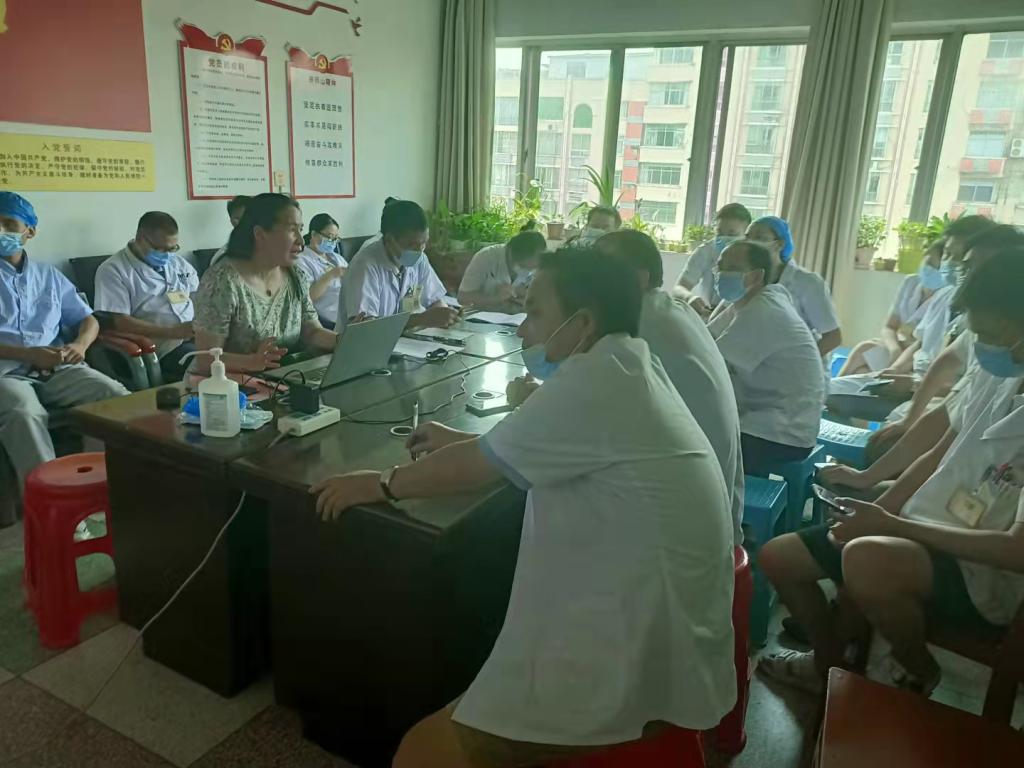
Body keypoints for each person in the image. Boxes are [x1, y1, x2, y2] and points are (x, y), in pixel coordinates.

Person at [312, 247, 736, 768]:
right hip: (671, 624)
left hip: (637, 646)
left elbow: (477, 469)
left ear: (583, 322)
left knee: (421, 752)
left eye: (534, 312)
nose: (522, 327)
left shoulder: (595, 380)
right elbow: (535, 445)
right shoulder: (625, 362)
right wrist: (460, 442)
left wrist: (381, 483)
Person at [759, 248, 1024, 698]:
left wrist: (891, 525)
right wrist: (875, 509)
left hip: (981, 571)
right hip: (923, 527)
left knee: (866, 560)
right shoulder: (996, 374)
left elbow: (1016, 552)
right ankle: (828, 663)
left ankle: (917, 668)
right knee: (778, 557)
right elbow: (939, 452)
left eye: (994, 335)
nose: (983, 347)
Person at [596, 229, 744, 545]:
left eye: (601, 267)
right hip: (714, 499)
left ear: (639, 278)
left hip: (686, 522)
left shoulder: (636, 326)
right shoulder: (673, 309)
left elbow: (585, 405)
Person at [0, 192, 128, 500]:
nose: (1, 231)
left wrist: (80, 346)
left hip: (57, 366)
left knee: (113, 396)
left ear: (30, 231)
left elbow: (88, 319)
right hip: (6, 372)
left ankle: (97, 485)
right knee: (24, 413)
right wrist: (27, 354)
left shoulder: (48, 275)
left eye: (9, 224)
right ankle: (50, 500)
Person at [863, 222, 1020, 460]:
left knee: (891, 446)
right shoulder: (954, 302)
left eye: (973, 267)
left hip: (945, 401)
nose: (958, 268)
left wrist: (913, 385)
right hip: (938, 397)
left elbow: (957, 409)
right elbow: (943, 360)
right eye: (950, 256)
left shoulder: (1002, 337)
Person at [707, 240, 825, 476]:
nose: (722, 273)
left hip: (780, 436)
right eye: (720, 266)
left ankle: (726, 498)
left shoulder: (765, 309)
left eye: (732, 267)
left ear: (756, 276)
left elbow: (709, 362)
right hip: (766, 421)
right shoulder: (748, 303)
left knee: (694, 439)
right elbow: (704, 337)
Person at [192, 193, 337, 375]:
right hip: (228, 385)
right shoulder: (222, 280)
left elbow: (312, 331)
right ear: (260, 234)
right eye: (292, 230)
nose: (301, 240)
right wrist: (252, 362)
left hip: (282, 378)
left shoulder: (296, 276)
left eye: (300, 229)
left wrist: (346, 340)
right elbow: (205, 359)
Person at [94, 211, 199, 381]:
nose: (166, 255)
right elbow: (120, 322)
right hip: (160, 349)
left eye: (172, 249)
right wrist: (173, 331)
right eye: (159, 249)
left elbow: (199, 298)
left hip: (197, 338)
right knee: (211, 365)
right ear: (140, 238)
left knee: (237, 356)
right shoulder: (113, 270)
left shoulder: (179, 264)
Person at [837, 239, 950, 376]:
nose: (930, 270)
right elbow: (889, 327)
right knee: (863, 351)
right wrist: (894, 350)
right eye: (929, 263)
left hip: (917, 358)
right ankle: (830, 386)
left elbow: (924, 344)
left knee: (863, 371)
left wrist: (899, 361)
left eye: (937, 268)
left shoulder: (946, 297)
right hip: (898, 347)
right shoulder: (911, 282)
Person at [340, 199, 458, 331]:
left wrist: (446, 315)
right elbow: (365, 327)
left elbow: (434, 300)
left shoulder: (420, 260)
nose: (419, 251)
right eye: (412, 244)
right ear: (390, 240)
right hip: (367, 342)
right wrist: (421, 319)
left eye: (424, 243)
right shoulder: (365, 266)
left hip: (409, 340)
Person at [745, 216, 843, 359]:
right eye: (747, 237)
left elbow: (833, 337)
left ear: (779, 244)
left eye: (759, 237)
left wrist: (801, 362)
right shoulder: (749, 277)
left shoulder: (808, 282)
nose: (749, 243)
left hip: (800, 364)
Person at [675, 202, 752, 317]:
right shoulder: (706, 251)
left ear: (746, 234)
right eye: (719, 233)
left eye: (732, 234)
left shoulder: (754, 256)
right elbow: (678, 288)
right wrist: (689, 298)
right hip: (709, 313)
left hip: (743, 314)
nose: (724, 238)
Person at [457, 225, 546, 312]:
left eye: (533, 267)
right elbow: (462, 297)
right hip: (484, 316)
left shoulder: (540, 265)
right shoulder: (486, 257)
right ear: (511, 253)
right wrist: (495, 298)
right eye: (524, 266)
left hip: (517, 317)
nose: (528, 272)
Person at [295, 213, 347, 329]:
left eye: (335, 238)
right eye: (329, 237)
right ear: (314, 234)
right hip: (328, 322)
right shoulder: (301, 261)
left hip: (350, 314)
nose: (332, 241)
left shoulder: (336, 257)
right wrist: (332, 274)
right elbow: (308, 298)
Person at [211, 195, 252, 266]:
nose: (242, 222)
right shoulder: (223, 255)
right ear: (232, 221)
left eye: (246, 218)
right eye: (237, 218)